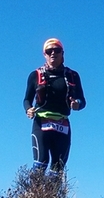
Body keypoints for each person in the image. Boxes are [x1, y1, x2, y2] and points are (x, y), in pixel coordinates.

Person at [23, 38, 86, 175]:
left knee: (58, 166)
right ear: (44, 54)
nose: (53, 53)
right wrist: (28, 109)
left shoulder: (72, 76)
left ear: (62, 53)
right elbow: (27, 99)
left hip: (62, 123)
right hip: (41, 123)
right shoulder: (35, 75)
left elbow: (82, 101)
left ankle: (52, 197)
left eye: (56, 50)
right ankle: (35, 196)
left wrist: (77, 105)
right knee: (41, 161)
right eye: (49, 51)